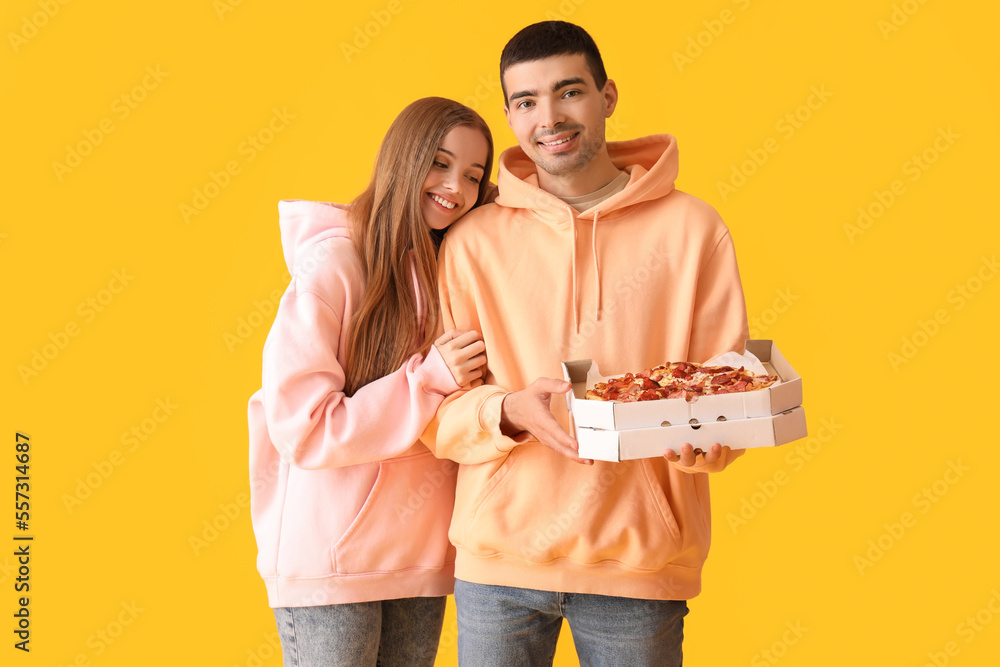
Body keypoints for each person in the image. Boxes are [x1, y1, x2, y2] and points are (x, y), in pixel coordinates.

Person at [421, 22, 750, 666]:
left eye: (569, 91)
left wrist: (706, 439)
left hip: (640, 565)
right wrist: (507, 409)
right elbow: (435, 411)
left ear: (608, 96)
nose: (550, 117)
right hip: (498, 566)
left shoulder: (694, 229)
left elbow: (727, 389)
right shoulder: (471, 242)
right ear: (511, 116)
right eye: (526, 101)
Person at [247, 97, 494, 667]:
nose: (456, 187)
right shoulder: (333, 268)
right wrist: (428, 379)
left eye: (474, 176)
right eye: (439, 163)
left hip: (422, 558)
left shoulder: (449, 270)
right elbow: (305, 430)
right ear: (401, 160)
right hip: (332, 562)